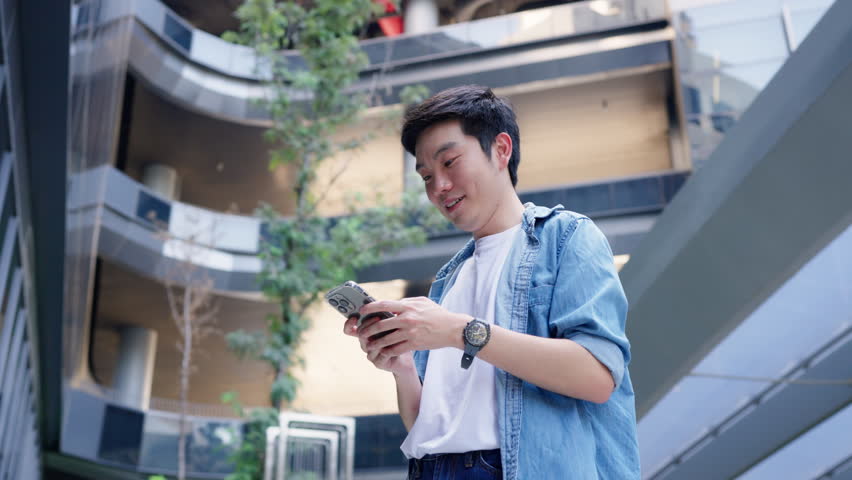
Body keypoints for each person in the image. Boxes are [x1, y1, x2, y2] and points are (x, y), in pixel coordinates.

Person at [343, 85, 639, 479]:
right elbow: (425, 427)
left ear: (501, 149)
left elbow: (598, 376)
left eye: (450, 162)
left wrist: (460, 332)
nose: (438, 187)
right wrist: (401, 368)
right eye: (427, 176)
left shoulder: (566, 237)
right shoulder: (449, 279)